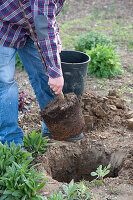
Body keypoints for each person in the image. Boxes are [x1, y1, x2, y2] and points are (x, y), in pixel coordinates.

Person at [0, 0, 83, 146]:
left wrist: (56, 39)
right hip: (4, 25)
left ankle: (54, 128)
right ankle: (10, 141)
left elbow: (46, 15)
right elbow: (43, 25)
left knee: (43, 75)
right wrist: (56, 73)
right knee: (5, 83)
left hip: (29, 26)